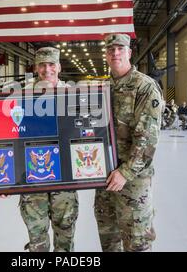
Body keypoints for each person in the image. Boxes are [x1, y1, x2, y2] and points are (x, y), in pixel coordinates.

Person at [94, 33, 163, 252]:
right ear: (106, 55)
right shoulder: (102, 88)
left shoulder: (144, 86)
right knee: (109, 241)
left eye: (120, 49)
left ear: (129, 53)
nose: (115, 53)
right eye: (110, 49)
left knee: (137, 243)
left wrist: (125, 172)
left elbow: (147, 138)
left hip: (132, 182)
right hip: (104, 178)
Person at [19, 47, 79, 252]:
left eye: (51, 64)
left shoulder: (73, 94)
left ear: (59, 67)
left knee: (65, 235)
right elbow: (10, 135)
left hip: (65, 177)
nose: (47, 69)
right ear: (36, 67)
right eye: (42, 65)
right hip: (32, 176)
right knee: (37, 237)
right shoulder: (22, 95)